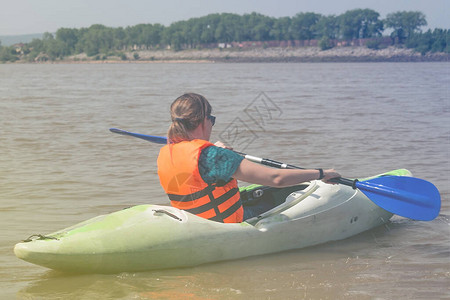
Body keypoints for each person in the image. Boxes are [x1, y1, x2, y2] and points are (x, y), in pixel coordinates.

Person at [157, 93, 341, 223]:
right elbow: (276, 178)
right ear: (201, 121)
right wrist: (321, 173)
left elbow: (200, 168)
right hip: (222, 225)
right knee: (272, 200)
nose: (212, 124)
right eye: (211, 119)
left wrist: (215, 151)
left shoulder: (167, 152)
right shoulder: (215, 157)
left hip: (194, 222)